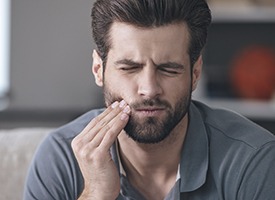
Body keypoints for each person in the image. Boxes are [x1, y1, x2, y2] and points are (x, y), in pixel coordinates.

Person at [24, 0, 275, 199]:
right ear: (98, 70)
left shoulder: (254, 160)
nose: (149, 89)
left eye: (168, 69)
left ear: (195, 73)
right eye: (129, 68)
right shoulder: (60, 157)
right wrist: (96, 194)